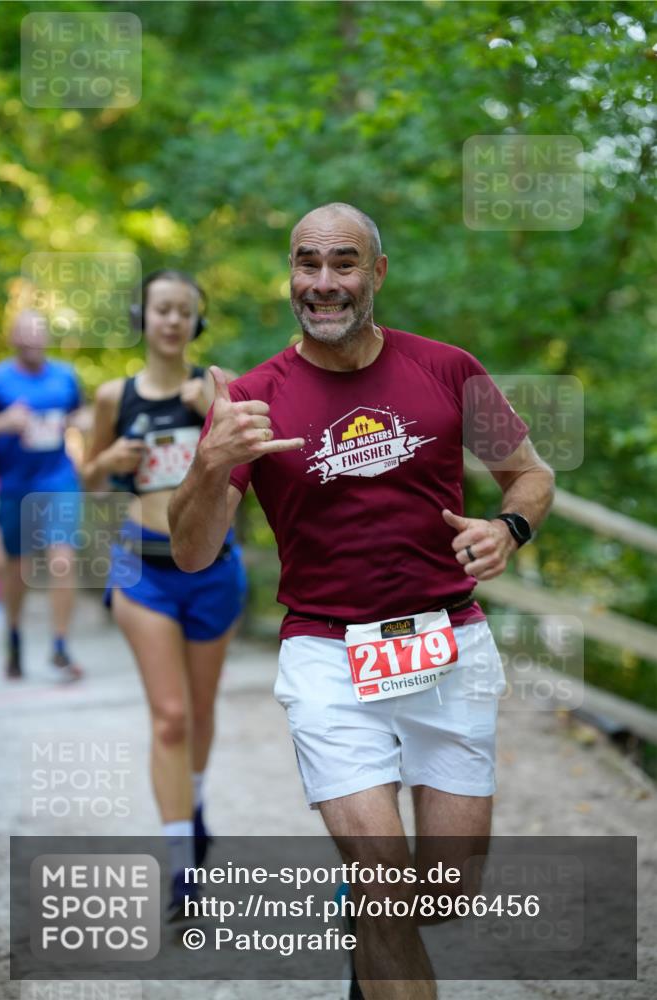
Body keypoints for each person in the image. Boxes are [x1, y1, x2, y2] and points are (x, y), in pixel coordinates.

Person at [168, 205, 555, 997]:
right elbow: (191, 550)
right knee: (385, 885)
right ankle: (374, 916)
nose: (322, 283)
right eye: (306, 264)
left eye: (343, 264)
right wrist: (211, 465)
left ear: (375, 274)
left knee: (442, 895)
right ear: (290, 275)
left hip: (447, 645)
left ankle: (367, 929)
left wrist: (508, 527)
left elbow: (530, 472)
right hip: (327, 655)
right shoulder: (249, 401)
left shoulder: (447, 369)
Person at [82, 269, 246, 921]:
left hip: (212, 568)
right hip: (139, 569)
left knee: (202, 713)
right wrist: (106, 462)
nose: (173, 321)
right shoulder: (111, 396)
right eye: (162, 310)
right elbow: (86, 482)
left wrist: (220, 420)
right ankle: (181, 869)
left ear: (197, 323)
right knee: (171, 716)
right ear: (142, 318)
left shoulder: (218, 387)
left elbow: (255, 471)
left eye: (185, 312)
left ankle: (194, 800)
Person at [0, 310, 85, 681]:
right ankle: (14, 638)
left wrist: (78, 424)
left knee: (63, 558)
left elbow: (84, 415)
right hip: (15, 484)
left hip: (59, 479)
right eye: (24, 333)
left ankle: (60, 646)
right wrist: (4, 423)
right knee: (17, 568)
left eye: (38, 332)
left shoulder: (65, 376)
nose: (32, 339)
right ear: (13, 338)